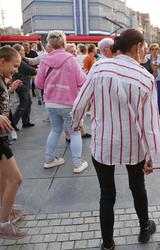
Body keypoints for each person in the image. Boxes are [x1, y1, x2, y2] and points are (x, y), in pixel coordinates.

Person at [72, 28, 160, 250]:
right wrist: (153, 157)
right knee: (137, 186)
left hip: (104, 142)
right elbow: (151, 124)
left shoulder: (100, 66)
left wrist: (76, 122)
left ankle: (108, 243)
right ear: (138, 46)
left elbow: (81, 100)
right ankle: (143, 228)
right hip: (133, 144)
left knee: (107, 194)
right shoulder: (145, 77)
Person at [35, 30, 88, 173]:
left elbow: (39, 84)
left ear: (50, 44)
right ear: (64, 43)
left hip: (51, 103)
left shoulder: (45, 60)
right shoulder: (71, 59)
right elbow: (82, 81)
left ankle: (49, 159)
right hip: (69, 103)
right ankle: (77, 164)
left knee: (55, 130)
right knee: (75, 132)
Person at [0, 46, 27, 240]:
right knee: (16, 179)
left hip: (2, 136)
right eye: (14, 65)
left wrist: (9, 89)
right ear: (2, 61)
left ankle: (5, 212)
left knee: (3, 179)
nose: (16, 69)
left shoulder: (2, 79)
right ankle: (3, 224)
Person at [12, 44, 37, 129]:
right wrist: (36, 70)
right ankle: (13, 124)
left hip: (23, 83)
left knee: (28, 103)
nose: (24, 52)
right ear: (17, 52)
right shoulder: (20, 61)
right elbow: (32, 70)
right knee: (23, 104)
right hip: (22, 84)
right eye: (22, 50)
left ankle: (25, 121)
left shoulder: (20, 60)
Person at [147, 43, 160, 114]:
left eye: (156, 49)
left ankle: (158, 113)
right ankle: (150, 112)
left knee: (158, 96)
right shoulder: (147, 57)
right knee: (149, 96)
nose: (154, 51)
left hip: (158, 80)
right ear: (150, 50)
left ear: (158, 50)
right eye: (152, 49)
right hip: (149, 80)